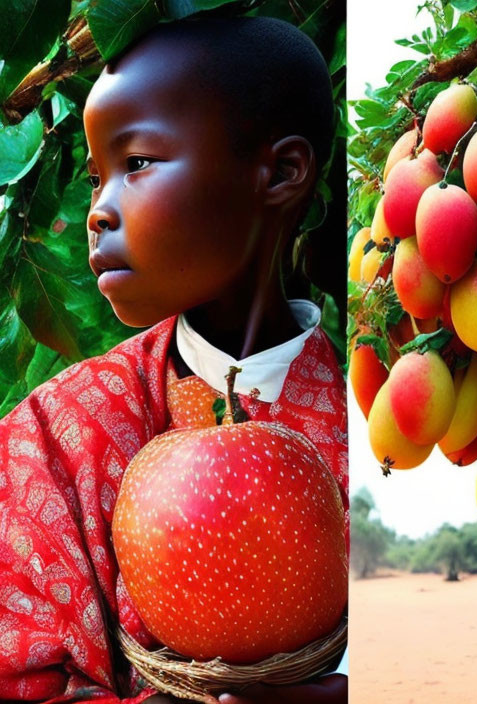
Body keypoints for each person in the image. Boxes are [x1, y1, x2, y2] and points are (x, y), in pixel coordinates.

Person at [0, 16, 347, 704]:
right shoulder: (53, 432)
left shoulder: (376, 408)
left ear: (281, 172)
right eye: (98, 177)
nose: (99, 210)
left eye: (138, 163)